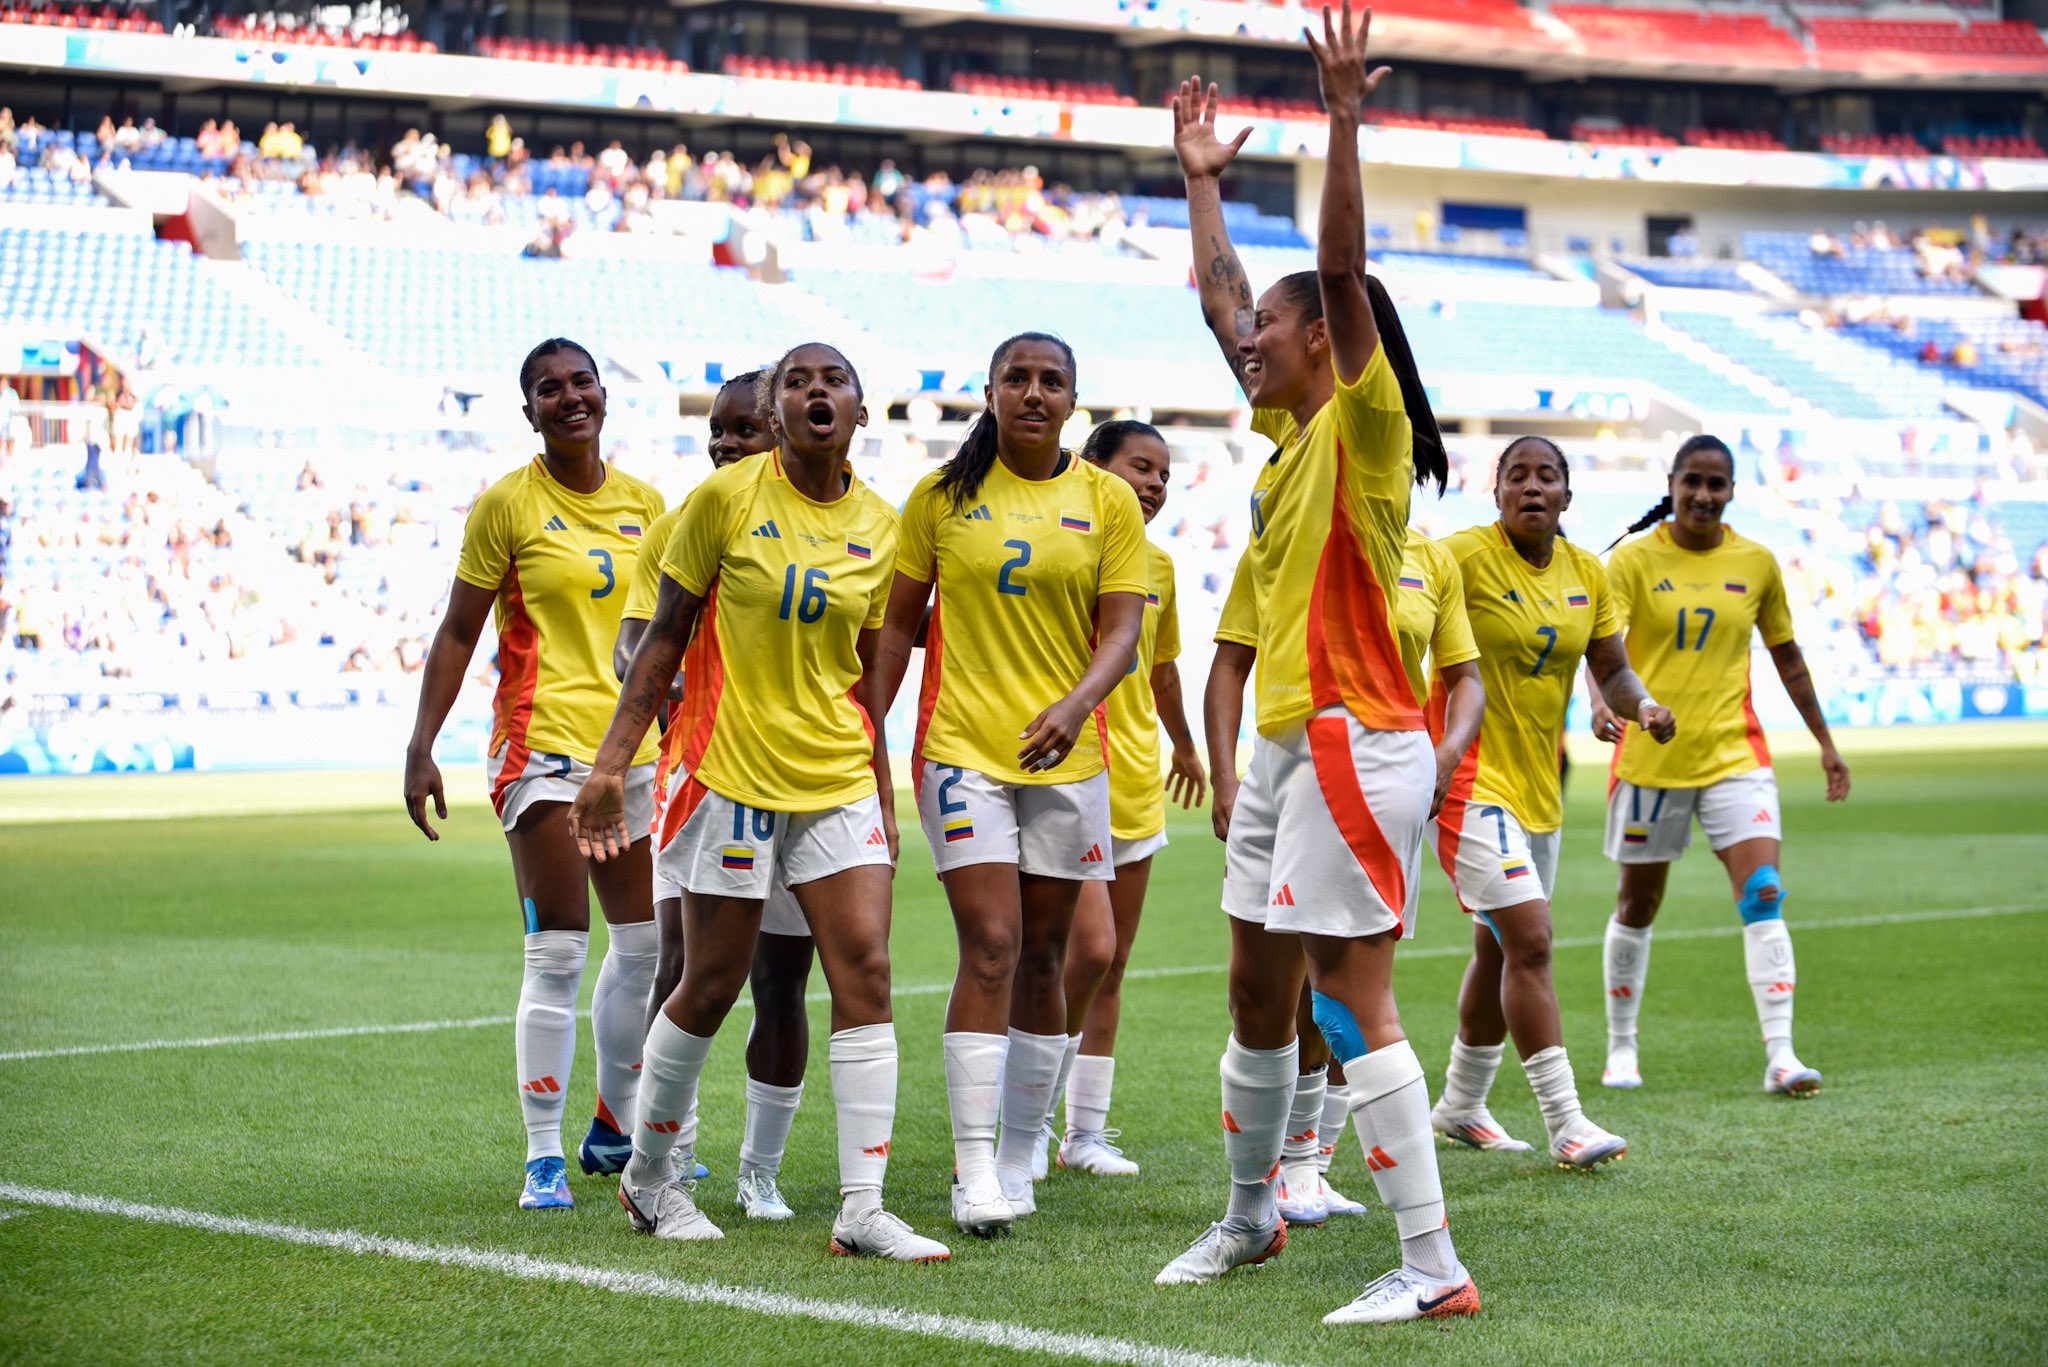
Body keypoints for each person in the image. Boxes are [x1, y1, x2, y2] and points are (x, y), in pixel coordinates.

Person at [1156, 9, 1482, 1324]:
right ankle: (1250, 1216)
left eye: (1275, 328)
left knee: (1348, 1000)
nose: (1252, 336)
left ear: (1326, 343)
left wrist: (1343, 119)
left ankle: (1433, 1260)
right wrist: (1203, 187)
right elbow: (1227, 299)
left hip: (1356, 737)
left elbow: (1339, 278)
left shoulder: (1365, 425)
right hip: (1293, 741)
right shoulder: (1291, 438)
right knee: (1254, 982)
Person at [570, 342, 949, 1262]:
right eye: (798, 382)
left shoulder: (883, 525)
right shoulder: (722, 501)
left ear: (861, 411)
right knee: (710, 982)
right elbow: (660, 640)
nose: (818, 392)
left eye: (835, 382)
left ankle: (862, 1206)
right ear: (776, 412)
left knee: (866, 972)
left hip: (836, 777)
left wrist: (883, 788)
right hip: (728, 772)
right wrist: (611, 763)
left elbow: (866, 676)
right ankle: (650, 1179)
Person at [872, 332, 1147, 1237]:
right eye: (1017, 379)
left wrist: (1075, 706)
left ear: (1073, 400)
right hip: (962, 753)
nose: (1034, 392)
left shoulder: (1107, 500)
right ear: (989, 393)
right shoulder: (941, 497)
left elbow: (1120, 633)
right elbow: (897, 627)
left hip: (1069, 759)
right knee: (991, 943)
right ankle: (974, 1164)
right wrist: (863, 730)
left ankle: (1026, 1148)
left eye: (1051, 380)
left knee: (1046, 953)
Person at [403, 338, 665, 1211]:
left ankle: (613, 1127)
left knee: (646, 947)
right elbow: (457, 631)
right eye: (549, 389)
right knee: (558, 948)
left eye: (582, 381)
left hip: (629, 758)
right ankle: (542, 1156)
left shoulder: (648, 506)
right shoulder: (506, 506)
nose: (570, 397)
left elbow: (665, 644)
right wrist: (421, 742)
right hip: (542, 754)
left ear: (603, 394)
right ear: (530, 412)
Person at [1424, 437, 1672, 1169]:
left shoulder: (1586, 572)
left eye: (1548, 476)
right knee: (1530, 938)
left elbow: (1613, 669)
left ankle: (1462, 1104)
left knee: (1498, 945)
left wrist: (1644, 705)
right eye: (1518, 475)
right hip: (1468, 779)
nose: (1532, 486)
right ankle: (1567, 1121)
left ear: (1568, 495)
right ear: (1494, 490)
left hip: (1540, 789)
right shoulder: (1461, 556)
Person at [1592, 434, 1849, 1097]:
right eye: (1693, 482)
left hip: (1737, 754)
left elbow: (1788, 657)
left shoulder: (1757, 562)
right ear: (1671, 483)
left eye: (1717, 484)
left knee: (1763, 890)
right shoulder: (1633, 561)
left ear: (1732, 490)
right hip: (1651, 759)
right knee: (1638, 904)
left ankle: (1783, 1054)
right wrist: (1605, 706)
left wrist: (1824, 740)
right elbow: (1603, 653)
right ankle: (1622, 1046)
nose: (1704, 495)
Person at [612, 369, 812, 1214]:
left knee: (781, 981)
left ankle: (760, 1171)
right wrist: (667, 692)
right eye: (717, 433)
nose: (727, 445)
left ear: (780, 430)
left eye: (743, 431)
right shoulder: (682, 523)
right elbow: (634, 641)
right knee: (685, 965)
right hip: (695, 777)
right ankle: (668, 1148)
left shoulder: (820, 524)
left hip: (800, 780)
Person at [1274, 522, 1483, 1226]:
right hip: (1308, 769)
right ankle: (1285, 1172)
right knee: (1299, 987)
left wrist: (1446, 755)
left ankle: (1311, 1166)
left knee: (1350, 989)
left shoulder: (1432, 556)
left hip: (1394, 779)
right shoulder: (1302, 526)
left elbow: (1465, 678)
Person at [1035, 419, 1206, 1180]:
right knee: (1075, 952)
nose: (1155, 485)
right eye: (1141, 467)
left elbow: (1162, 669)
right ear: (1093, 467)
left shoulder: (1160, 566)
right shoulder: (1061, 546)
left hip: (1135, 779)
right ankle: (1028, 1118)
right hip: (1069, 770)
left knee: (1114, 961)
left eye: (1164, 474)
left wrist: (1186, 743)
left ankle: (1083, 1133)